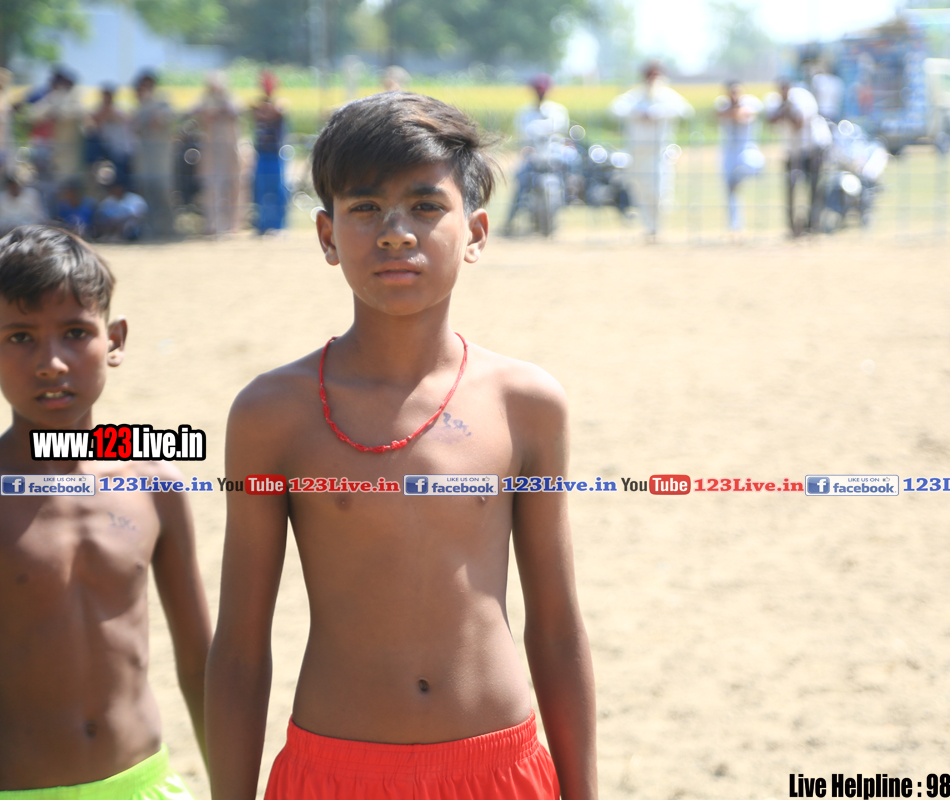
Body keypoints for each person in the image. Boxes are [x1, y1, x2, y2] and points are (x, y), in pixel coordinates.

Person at [205, 91, 597, 800]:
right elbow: (238, 648)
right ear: (327, 236)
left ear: (475, 232)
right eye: (365, 208)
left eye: (425, 206)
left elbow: (558, 631)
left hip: (498, 771)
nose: (394, 233)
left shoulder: (526, 404)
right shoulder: (272, 414)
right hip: (334, 774)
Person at [0, 224, 211, 797]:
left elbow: (200, 663)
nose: (51, 362)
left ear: (114, 341)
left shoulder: (153, 483)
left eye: (75, 332)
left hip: (146, 783)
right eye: (20, 337)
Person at [609, 60, 694, 242]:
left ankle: (657, 227)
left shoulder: (667, 96)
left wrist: (658, 112)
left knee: (659, 192)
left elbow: (686, 110)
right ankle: (649, 229)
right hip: (636, 152)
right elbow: (615, 108)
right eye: (649, 75)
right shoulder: (635, 96)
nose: (652, 79)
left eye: (656, 75)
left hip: (658, 153)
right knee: (640, 191)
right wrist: (639, 113)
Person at [503, 73, 570, 235]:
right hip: (533, 158)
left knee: (572, 177)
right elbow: (524, 133)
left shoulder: (558, 110)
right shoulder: (524, 112)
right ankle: (509, 222)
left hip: (554, 158)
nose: (540, 94)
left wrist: (539, 129)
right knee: (521, 182)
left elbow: (560, 128)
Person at [765, 77, 829, 236]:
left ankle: (812, 225)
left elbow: (798, 124)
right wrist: (784, 111)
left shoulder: (803, 97)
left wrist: (786, 111)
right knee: (790, 188)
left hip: (812, 148)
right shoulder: (774, 100)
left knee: (813, 188)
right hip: (791, 150)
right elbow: (770, 120)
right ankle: (792, 227)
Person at [189, 72, 242, 235]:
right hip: (211, 151)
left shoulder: (231, 99)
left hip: (229, 150)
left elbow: (234, 112)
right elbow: (195, 114)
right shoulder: (204, 100)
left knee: (232, 186)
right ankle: (212, 223)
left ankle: (232, 224)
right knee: (211, 187)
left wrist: (218, 111)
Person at [714, 81, 764, 236]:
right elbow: (718, 114)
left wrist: (732, 111)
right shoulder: (721, 103)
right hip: (729, 150)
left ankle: (738, 177)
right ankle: (735, 226)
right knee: (730, 189)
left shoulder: (751, 101)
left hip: (746, 148)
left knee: (755, 166)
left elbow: (743, 115)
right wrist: (731, 111)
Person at [131, 70, 176, 239]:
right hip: (144, 157)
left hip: (161, 157)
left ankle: (169, 228)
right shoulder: (138, 106)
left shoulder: (162, 102)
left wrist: (150, 105)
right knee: (145, 193)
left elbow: (160, 120)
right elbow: (134, 127)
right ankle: (150, 229)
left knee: (164, 192)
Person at [28, 69, 87, 186]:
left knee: (69, 179)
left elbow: (78, 112)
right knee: (48, 178)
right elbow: (35, 113)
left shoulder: (76, 96)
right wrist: (50, 114)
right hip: (53, 147)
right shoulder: (54, 96)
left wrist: (58, 114)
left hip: (72, 148)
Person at [250, 70, 289, 234]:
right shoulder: (258, 104)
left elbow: (278, 110)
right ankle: (262, 224)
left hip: (275, 153)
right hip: (261, 153)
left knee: (277, 190)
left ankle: (278, 225)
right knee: (261, 190)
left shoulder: (279, 103)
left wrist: (265, 108)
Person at [89, 84, 135, 189]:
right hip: (109, 150)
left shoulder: (118, 110)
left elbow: (123, 118)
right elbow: (92, 121)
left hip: (122, 151)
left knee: (122, 181)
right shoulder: (100, 109)